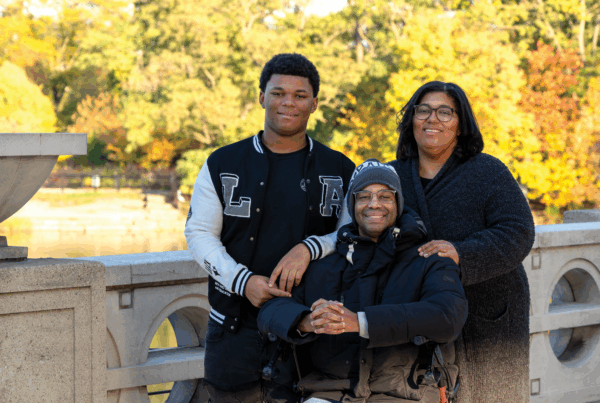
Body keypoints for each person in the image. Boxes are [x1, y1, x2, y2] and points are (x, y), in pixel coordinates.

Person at [184, 53, 355, 402]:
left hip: (310, 333)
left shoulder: (339, 168)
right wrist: (242, 281)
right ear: (262, 97)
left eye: (299, 95)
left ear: (314, 104)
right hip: (234, 330)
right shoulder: (222, 162)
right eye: (278, 93)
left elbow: (353, 237)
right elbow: (199, 234)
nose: (288, 103)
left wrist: (310, 247)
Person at [258, 159, 468, 403]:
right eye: (364, 196)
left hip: (406, 393)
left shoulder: (428, 258)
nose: (374, 204)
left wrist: (360, 322)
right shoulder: (325, 264)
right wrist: (306, 321)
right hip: (329, 390)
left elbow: (448, 316)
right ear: (352, 205)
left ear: (398, 204)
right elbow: (270, 309)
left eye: (385, 196)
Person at [388, 81, 536, 402]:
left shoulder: (488, 172)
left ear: (461, 123)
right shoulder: (389, 177)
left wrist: (460, 254)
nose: (432, 119)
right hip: (417, 317)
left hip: (487, 315)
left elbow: (518, 230)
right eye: (423, 110)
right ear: (411, 119)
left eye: (445, 112)